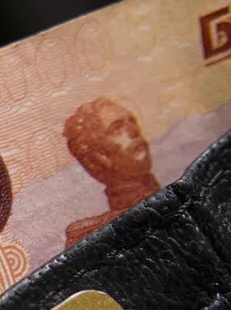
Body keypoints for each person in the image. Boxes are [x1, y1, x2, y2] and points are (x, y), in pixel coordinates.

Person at [63, 98, 161, 248]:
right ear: (96, 160)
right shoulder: (89, 239)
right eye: (117, 129)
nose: (134, 131)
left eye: (132, 121)